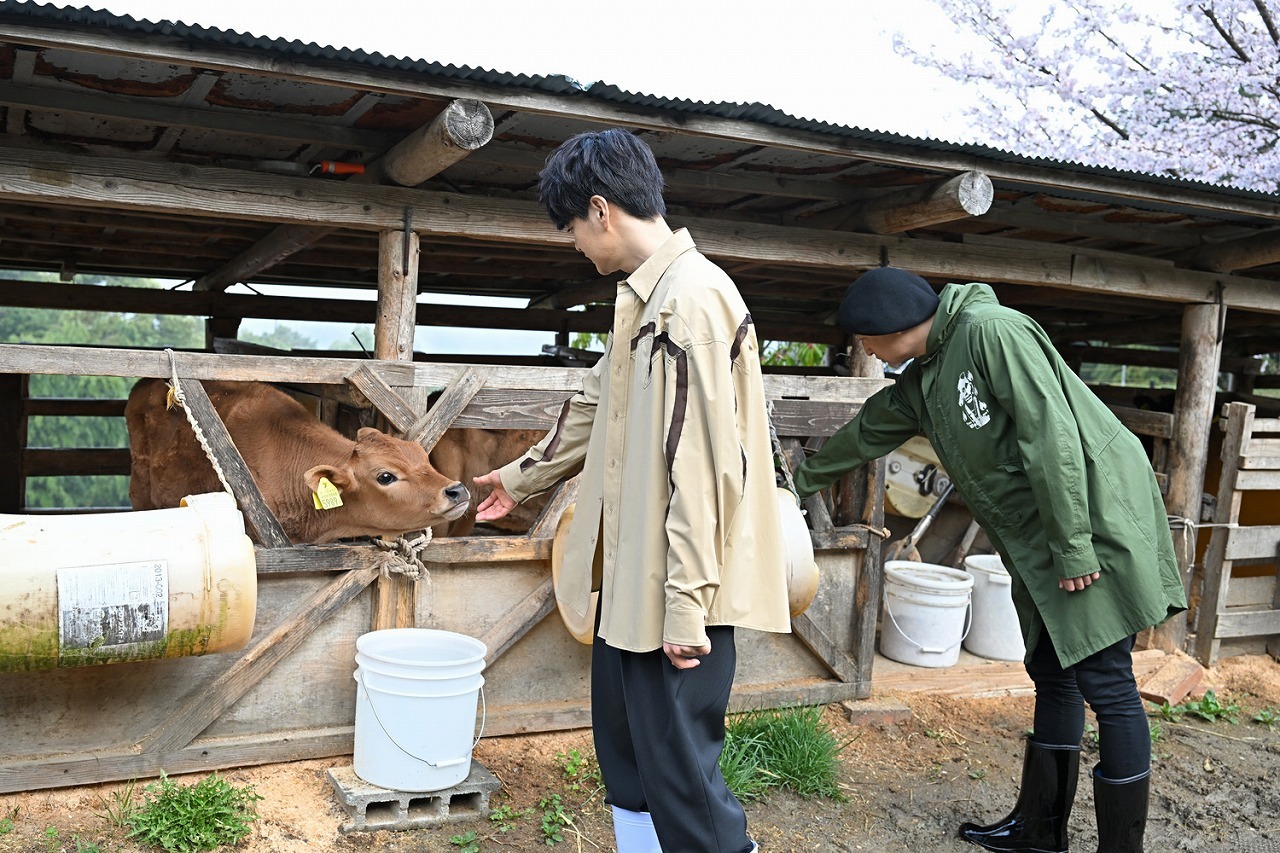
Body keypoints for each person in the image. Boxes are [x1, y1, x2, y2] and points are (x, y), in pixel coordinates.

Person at [793, 267, 1187, 853]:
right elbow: (868, 432)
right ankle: (1040, 831)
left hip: (1088, 522)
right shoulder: (924, 379)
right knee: (1053, 674)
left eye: (864, 339)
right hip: (1039, 539)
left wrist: (1073, 543)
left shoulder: (991, 333)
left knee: (1107, 682)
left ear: (890, 326)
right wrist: (797, 480)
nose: (864, 351)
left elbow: (1049, 433)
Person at [473, 128, 790, 853]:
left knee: (684, 782)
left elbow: (705, 469)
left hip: (674, 590)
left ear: (600, 209)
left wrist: (685, 608)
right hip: (628, 583)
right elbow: (594, 406)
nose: (577, 247)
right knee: (630, 766)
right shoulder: (640, 301)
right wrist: (518, 478)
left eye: (574, 231)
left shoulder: (695, 301)